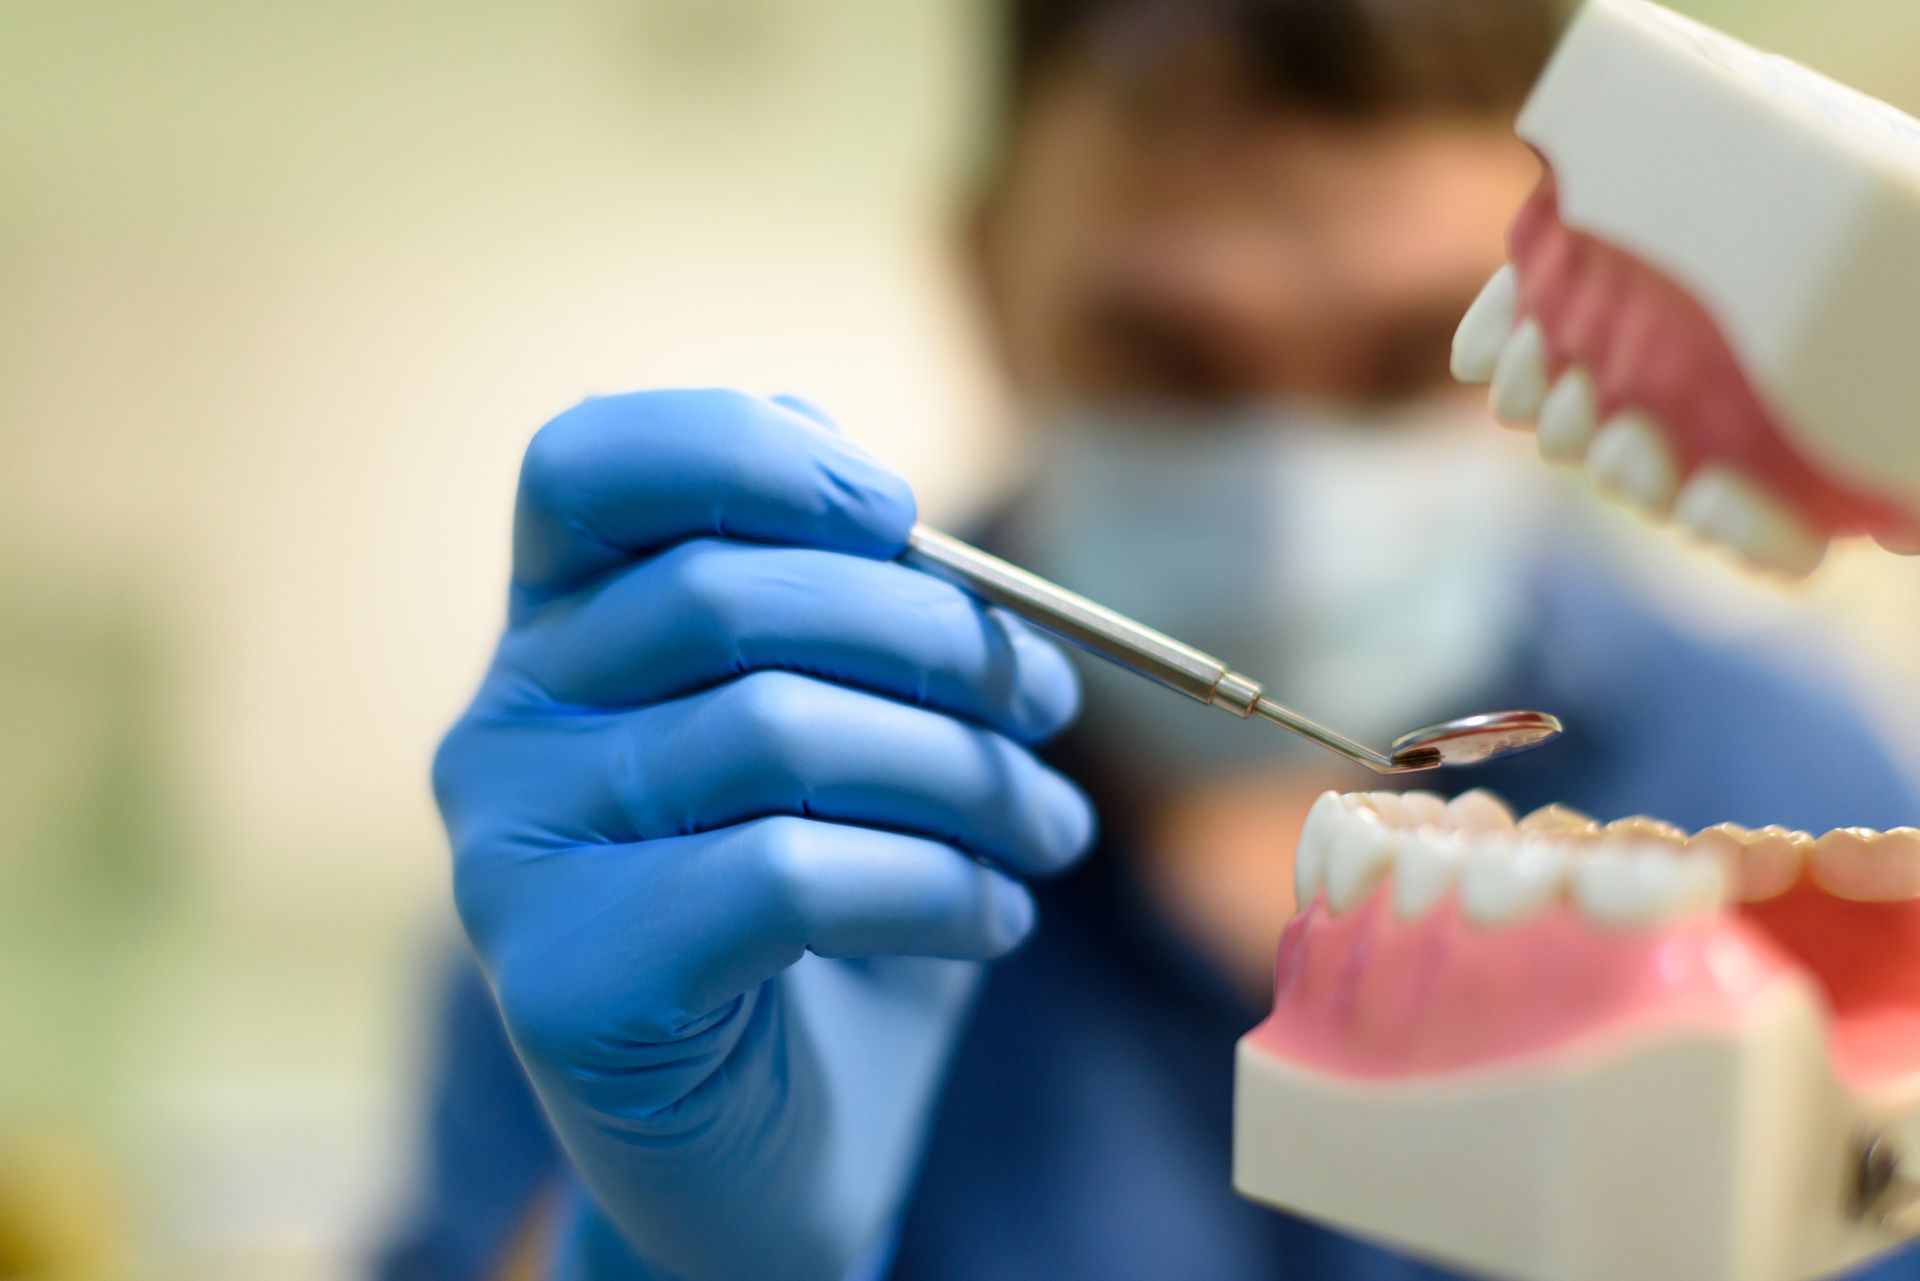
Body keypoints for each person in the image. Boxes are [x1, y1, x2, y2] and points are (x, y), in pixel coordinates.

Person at [381, 2, 1920, 1279]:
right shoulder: (706, 855)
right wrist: (660, 1255)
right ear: (988, 270)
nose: (1290, 500)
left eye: (1412, 358)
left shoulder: (1806, 785)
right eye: (1168, 357)